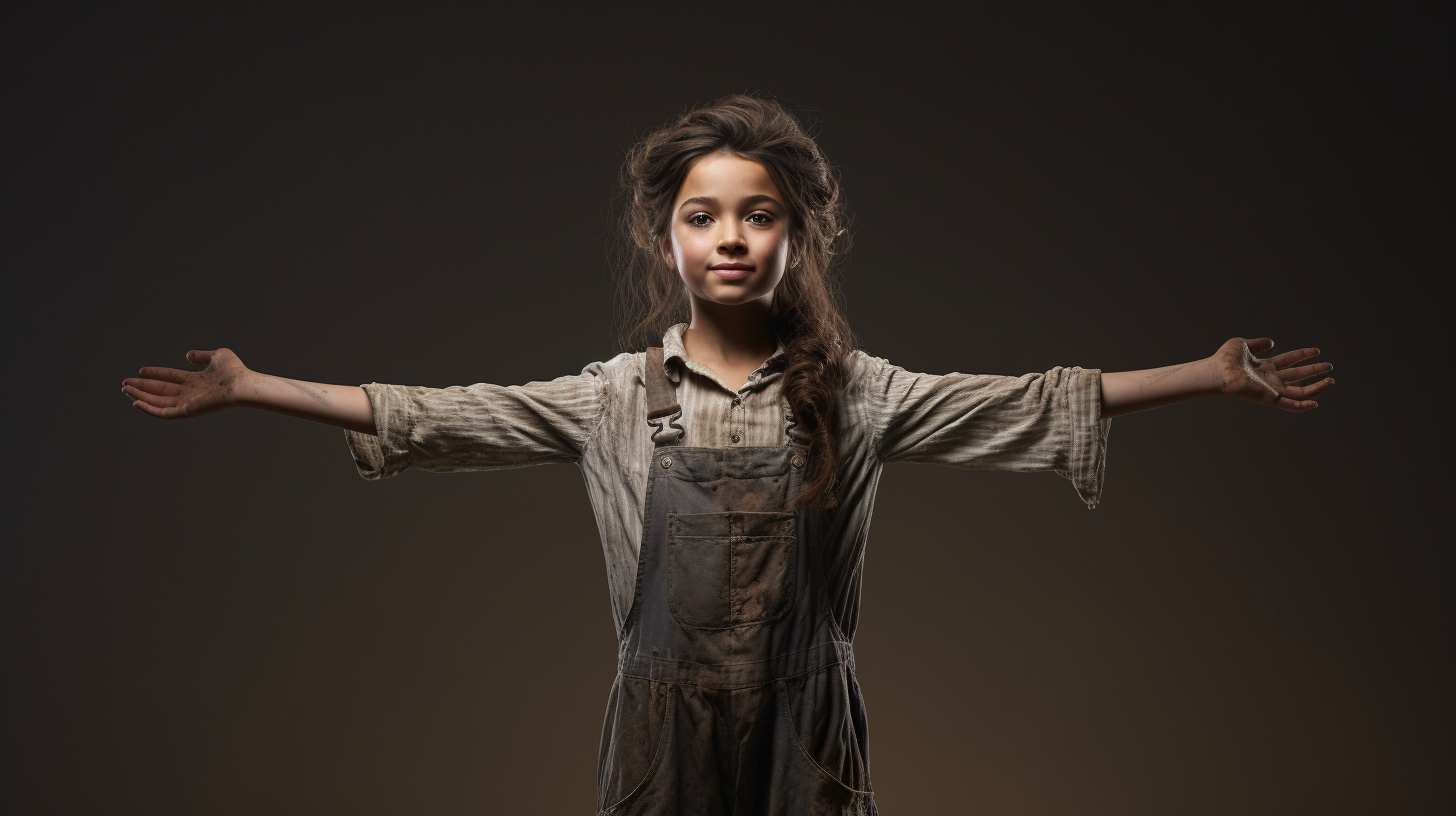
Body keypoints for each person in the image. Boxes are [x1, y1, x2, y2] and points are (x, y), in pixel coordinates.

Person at [119, 94, 1335, 815]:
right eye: (703, 216)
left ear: (799, 238)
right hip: (660, 732)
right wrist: (252, 388)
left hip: (811, 728)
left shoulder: (857, 395)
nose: (731, 238)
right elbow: (437, 415)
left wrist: (1211, 373)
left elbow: (1028, 399)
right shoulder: (612, 398)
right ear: (667, 238)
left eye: (760, 214)